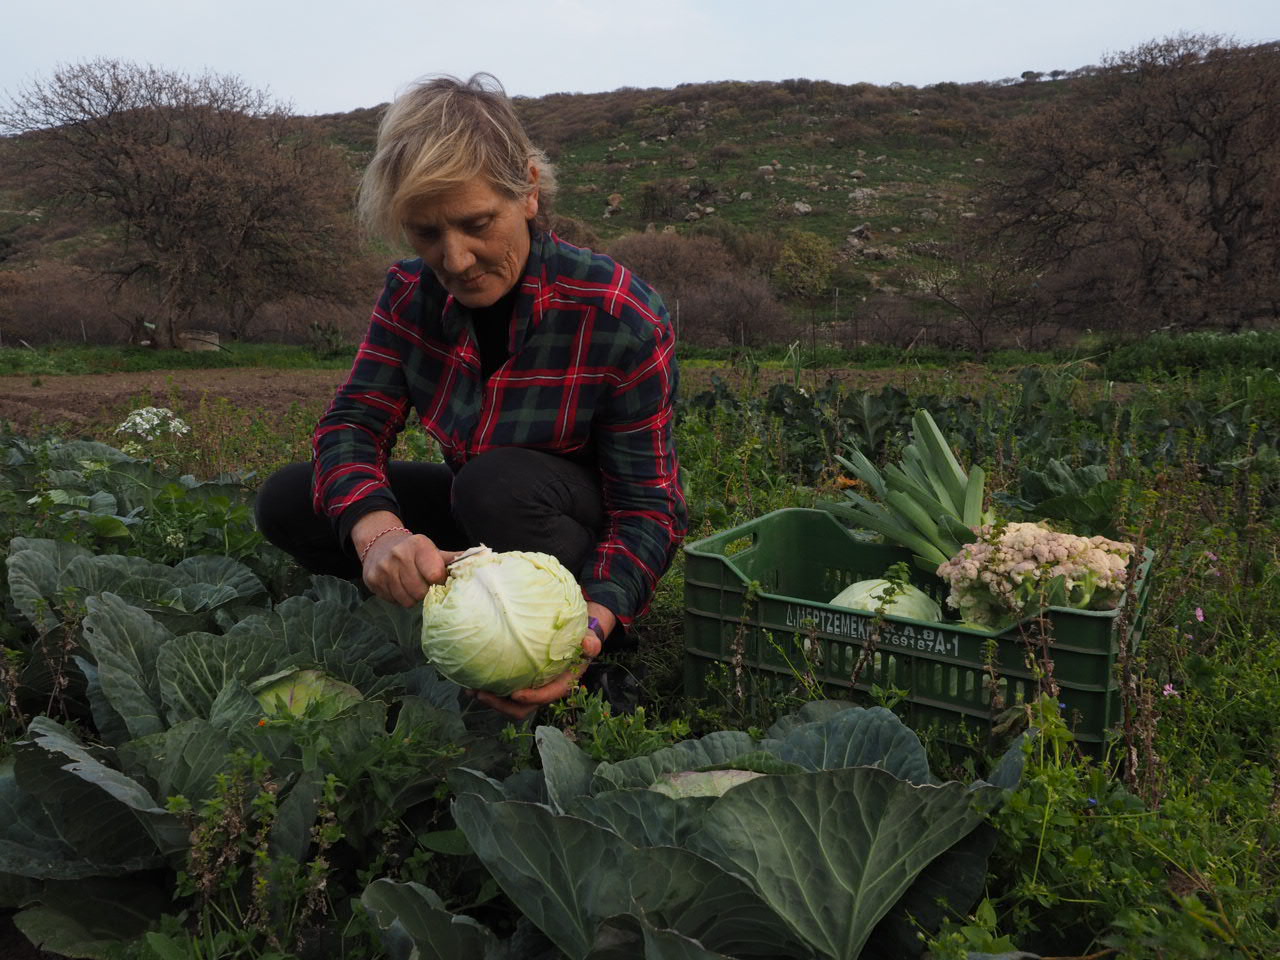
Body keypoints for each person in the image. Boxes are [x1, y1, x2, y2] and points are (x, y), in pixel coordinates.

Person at [255, 73, 687, 720]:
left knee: (495, 483)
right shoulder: (409, 296)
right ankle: (460, 621)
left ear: (529, 195)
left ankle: (577, 665)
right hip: (480, 521)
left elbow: (649, 510)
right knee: (289, 500)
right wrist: (379, 536)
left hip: (570, 529)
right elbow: (351, 426)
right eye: (426, 234)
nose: (455, 260)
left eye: (477, 223)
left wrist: (593, 625)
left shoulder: (619, 314)